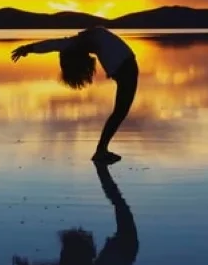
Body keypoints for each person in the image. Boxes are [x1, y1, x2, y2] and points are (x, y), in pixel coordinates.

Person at [11, 26, 138, 164]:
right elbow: (53, 45)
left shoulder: (79, 41)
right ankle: (101, 151)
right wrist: (28, 49)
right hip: (125, 71)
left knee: (119, 113)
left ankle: (101, 150)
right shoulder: (81, 42)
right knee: (119, 113)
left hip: (125, 69)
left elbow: (53, 45)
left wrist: (28, 48)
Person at [12, 162, 139, 265]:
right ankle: (101, 168)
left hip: (120, 253)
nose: (61, 255)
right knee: (118, 202)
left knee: (118, 201)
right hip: (124, 250)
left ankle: (101, 168)